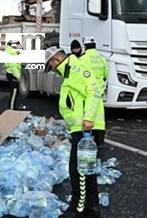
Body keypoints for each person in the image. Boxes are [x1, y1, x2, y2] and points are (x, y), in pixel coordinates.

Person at [44, 46, 103, 218]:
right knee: (83, 169)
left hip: (86, 129)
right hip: (79, 128)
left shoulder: (76, 69)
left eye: (52, 66)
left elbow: (94, 91)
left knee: (80, 171)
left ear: (55, 60)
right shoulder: (69, 70)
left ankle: (79, 210)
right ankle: (91, 209)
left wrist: (88, 118)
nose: (53, 71)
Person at [79, 36, 108, 107]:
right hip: (99, 92)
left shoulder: (82, 59)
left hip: (87, 92)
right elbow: (106, 75)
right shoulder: (102, 58)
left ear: (85, 46)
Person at [4, 40, 22, 110]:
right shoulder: (12, 53)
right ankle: (11, 108)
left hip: (11, 73)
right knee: (14, 92)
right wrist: (18, 76)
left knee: (14, 92)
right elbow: (13, 66)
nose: (19, 46)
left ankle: (12, 107)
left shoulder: (10, 52)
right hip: (13, 74)